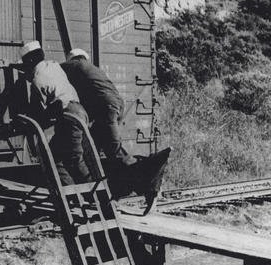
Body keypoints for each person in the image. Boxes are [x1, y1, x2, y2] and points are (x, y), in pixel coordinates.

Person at [61, 48, 171, 209]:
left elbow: (54, 70)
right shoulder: (92, 70)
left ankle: (150, 178)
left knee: (115, 153)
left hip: (106, 110)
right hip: (115, 108)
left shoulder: (75, 66)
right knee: (91, 152)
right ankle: (107, 193)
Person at [20, 41, 91, 186]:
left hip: (69, 115)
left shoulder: (37, 79)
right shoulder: (53, 65)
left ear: (30, 61)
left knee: (73, 159)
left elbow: (47, 110)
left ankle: (100, 198)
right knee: (56, 156)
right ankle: (75, 196)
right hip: (80, 111)